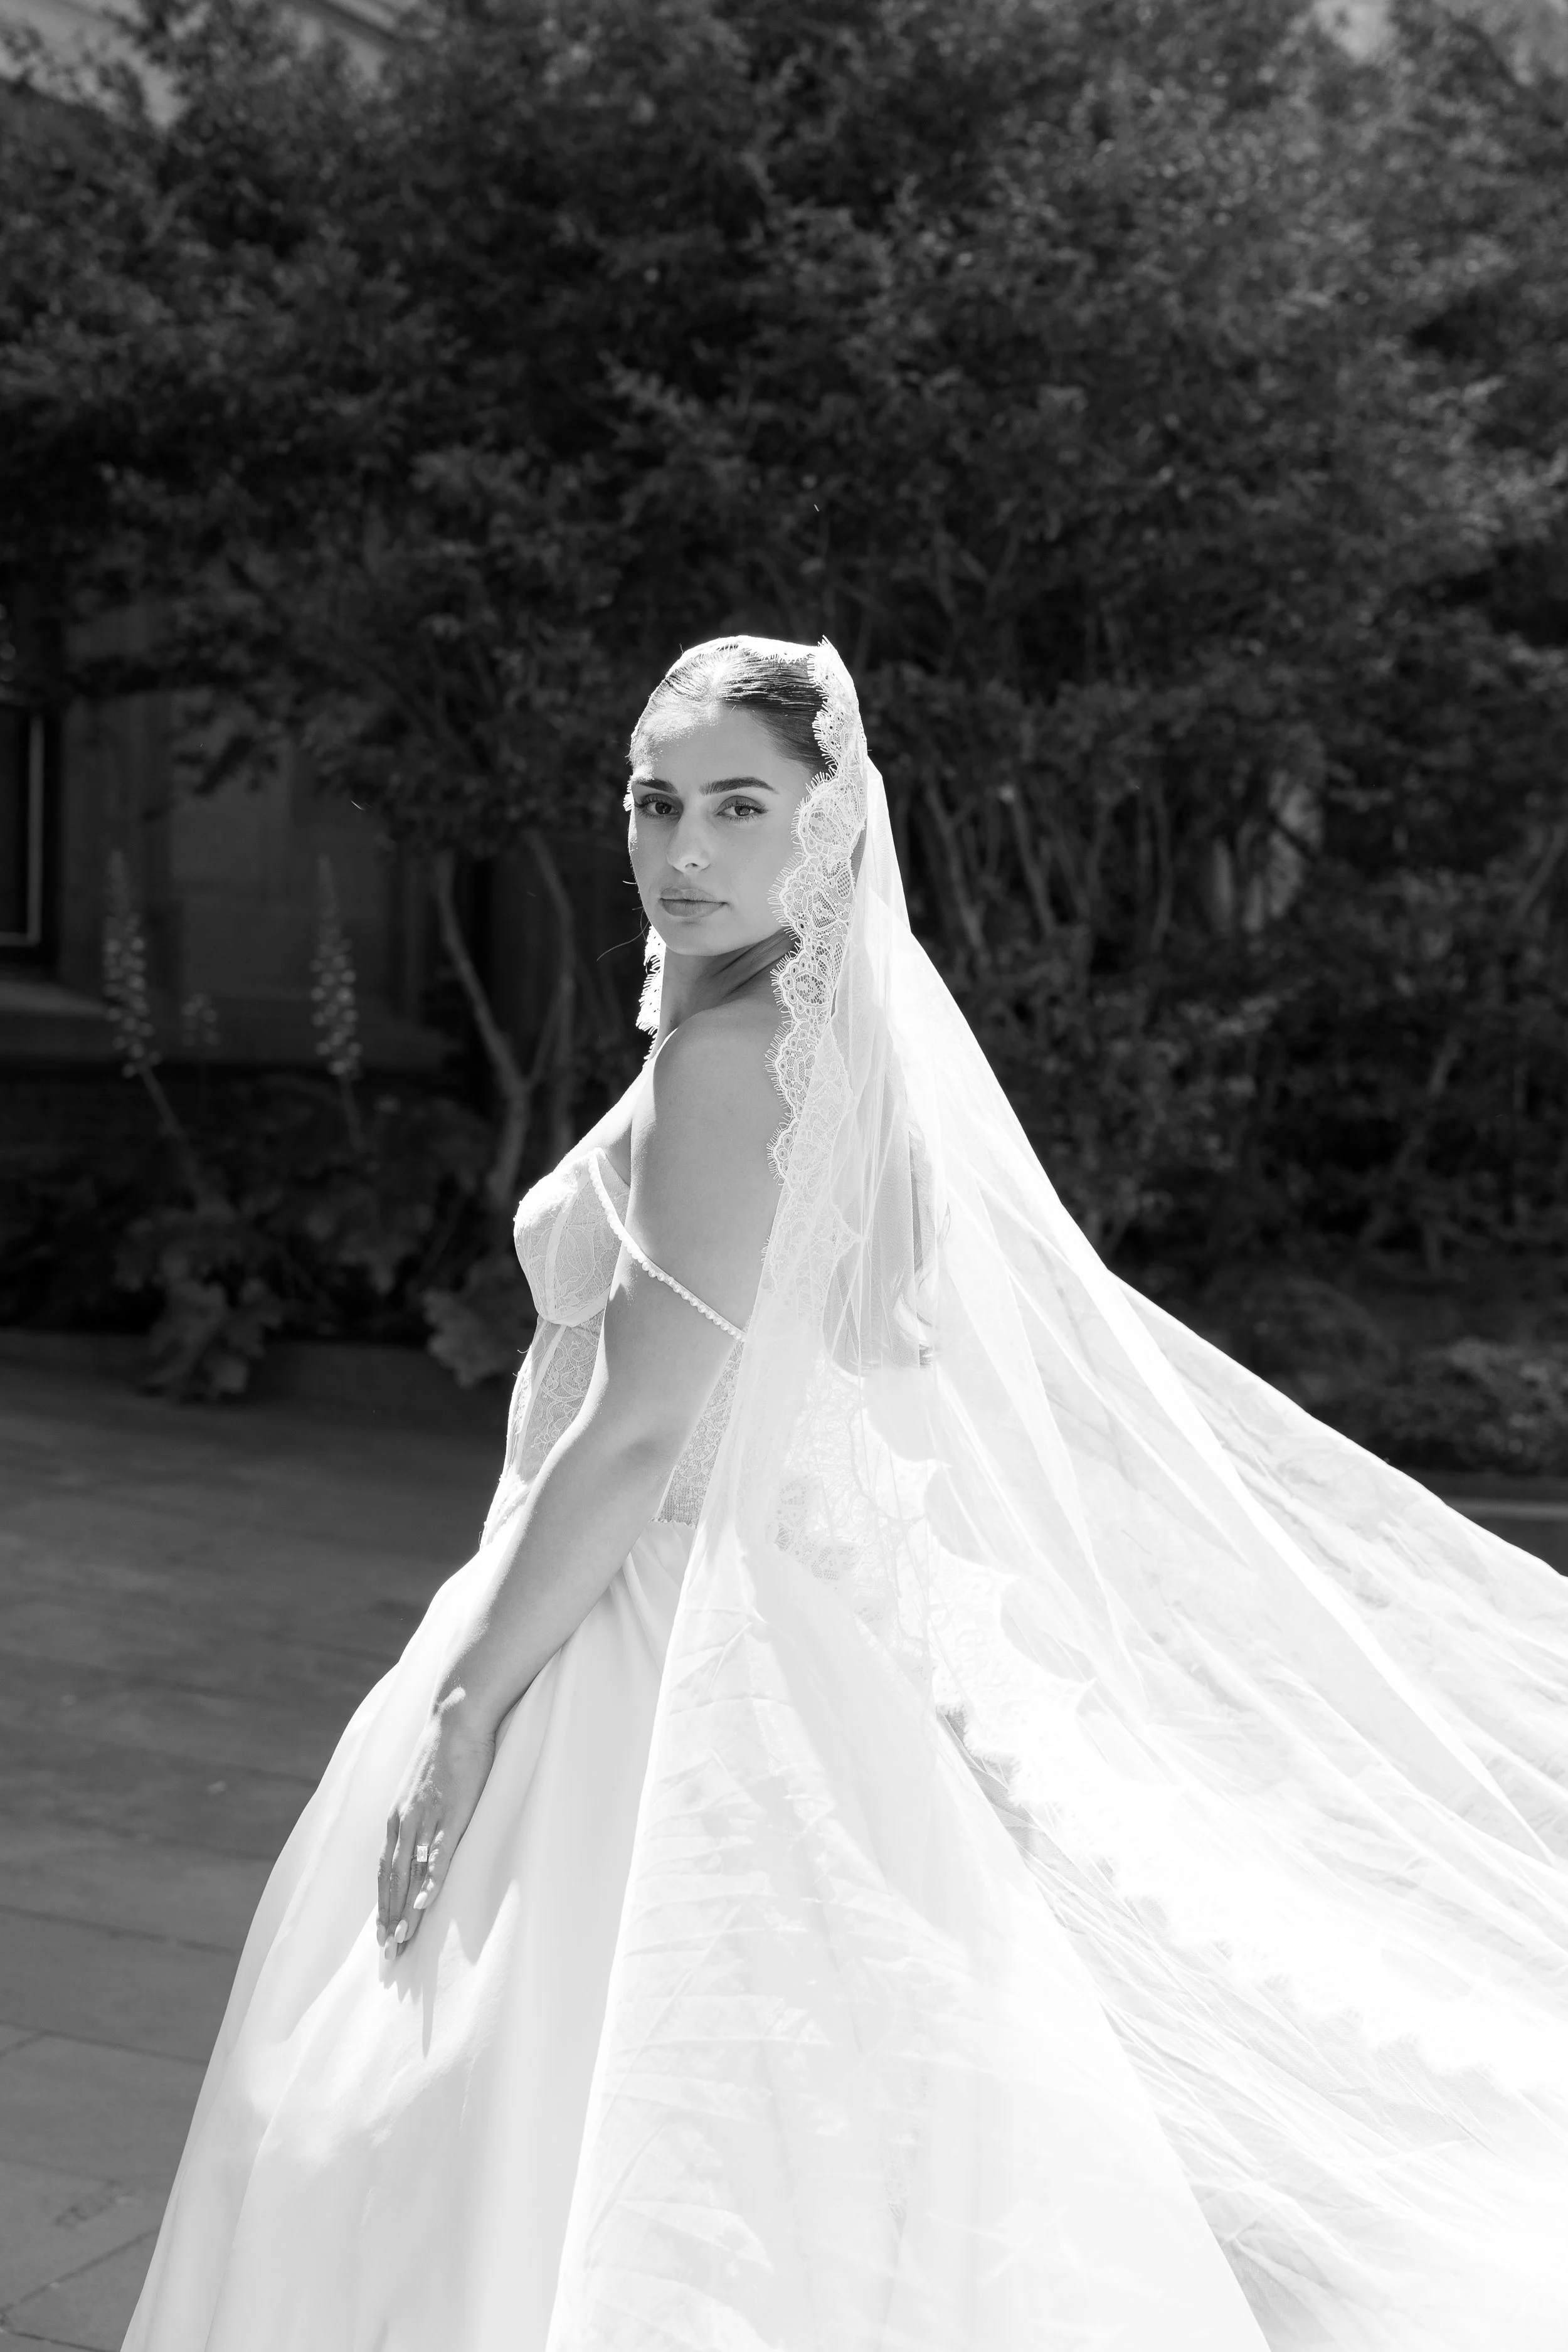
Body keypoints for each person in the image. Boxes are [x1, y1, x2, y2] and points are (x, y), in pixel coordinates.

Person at [124, 638, 1568, 2352]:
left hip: (636, 1624)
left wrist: (460, 1703)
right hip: (776, 1614)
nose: (684, 849)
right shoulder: (832, 1055)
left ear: (830, 827)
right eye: (656, 802)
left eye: (741, 806)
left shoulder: (728, 1065)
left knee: (484, 2103)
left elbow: (644, 1432)